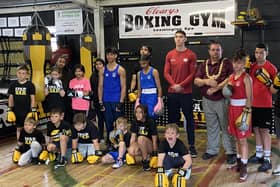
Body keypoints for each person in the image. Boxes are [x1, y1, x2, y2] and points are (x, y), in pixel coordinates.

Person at [194, 40, 236, 164]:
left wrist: (216, 88)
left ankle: (231, 152)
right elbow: (196, 81)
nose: (215, 52)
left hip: (222, 100)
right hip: (207, 100)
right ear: (209, 51)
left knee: (226, 126)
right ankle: (212, 150)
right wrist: (207, 82)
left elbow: (231, 77)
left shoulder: (227, 63)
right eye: (213, 49)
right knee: (211, 126)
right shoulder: (203, 65)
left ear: (221, 51)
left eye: (218, 49)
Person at [164, 30, 197, 157]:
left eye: (181, 37)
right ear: (174, 39)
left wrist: (181, 85)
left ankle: (192, 146)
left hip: (186, 93)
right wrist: (174, 85)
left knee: (189, 119)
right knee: (172, 120)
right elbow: (166, 73)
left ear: (185, 39)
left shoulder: (191, 55)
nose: (178, 39)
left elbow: (192, 74)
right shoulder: (169, 54)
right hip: (172, 93)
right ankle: (172, 145)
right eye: (176, 37)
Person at [248, 43, 277, 172]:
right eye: (256, 52)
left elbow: (274, 90)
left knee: (265, 131)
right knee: (256, 129)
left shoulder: (271, 68)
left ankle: (267, 158)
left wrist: (269, 82)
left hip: (265, 104)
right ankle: (259, 154)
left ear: (267, 53)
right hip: (253, 104)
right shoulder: (252, 66)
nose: (258, 55)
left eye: (261, 52)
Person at [226, 49, 252, 181]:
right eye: (235, 63)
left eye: (240, 63)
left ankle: (244, 166)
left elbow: (250, 98)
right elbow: (227, 91)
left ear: (243, 64)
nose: (237, 65)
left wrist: (246, 115)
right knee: (236, 138)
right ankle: (238, 162)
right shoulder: (231, 77)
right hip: (232, 108)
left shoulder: (246, 77)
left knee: (243, 140)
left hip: (242, 110)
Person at [98, 48, 126, 146]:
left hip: (116, 100)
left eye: (112, 54)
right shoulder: (102, 70)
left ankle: (121, 143)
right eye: (108, 54)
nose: (109, 56)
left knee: (119, 123)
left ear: (115, 56)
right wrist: (100, 101)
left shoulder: (120, 69)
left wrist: (121, 101)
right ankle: (110, 143)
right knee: (108, 123)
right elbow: (100, 86)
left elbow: (123, 87)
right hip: (106, 100)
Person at [7, 65, 36, 140]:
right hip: (17, 111)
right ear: (16, 73)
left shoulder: (30, 85)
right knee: (19, 129)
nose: (21, 75)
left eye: (23, 73)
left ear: (27, 75)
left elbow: (32, 98)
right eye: (19, 73)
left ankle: (29, 144)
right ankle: (19, 145)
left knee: (29, 128)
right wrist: (10, 109)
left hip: (27, 111)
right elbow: (11, 98)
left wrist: (33, 109)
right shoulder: (13, 84)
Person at [128, 104, 158, 171]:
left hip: (150, 145)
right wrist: (131, 149)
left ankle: (145, 160)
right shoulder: (134, 122)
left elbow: (154, 139)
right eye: (136, 112)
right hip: (141, 144)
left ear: (145, 113)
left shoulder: (150, 121)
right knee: (131, 151)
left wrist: (155, 154)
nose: (137, 114)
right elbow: (133, 138)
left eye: (140, 112)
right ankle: (147, 156)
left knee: (141, 138)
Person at [89, 58, 105, 142]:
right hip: (96, 100)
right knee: (100, 119)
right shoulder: (93, 76)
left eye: (100, 64)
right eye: (96, 64)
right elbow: (91, 90)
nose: (98, 66)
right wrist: (92, 101)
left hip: (106, 99)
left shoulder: (106, 74)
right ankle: (101, 136)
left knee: (108, 119)